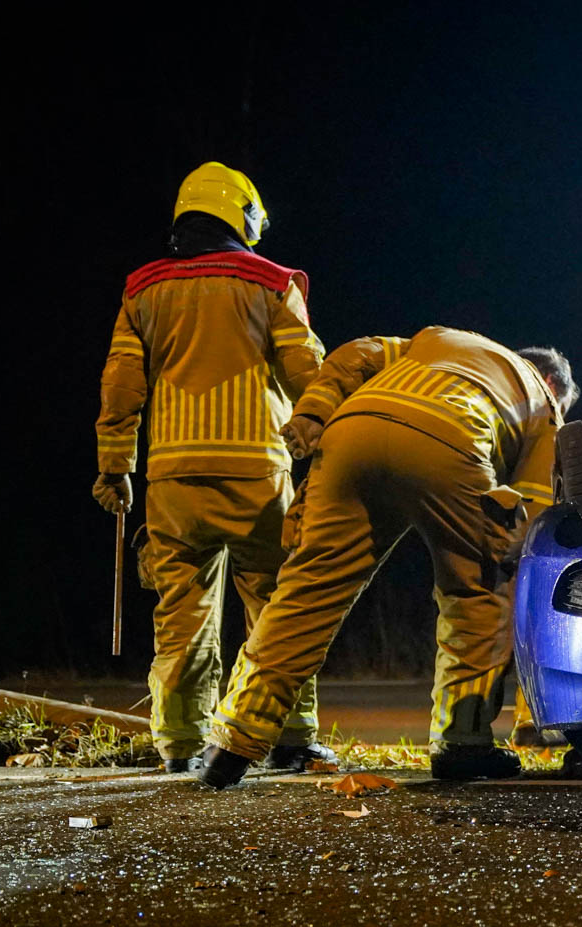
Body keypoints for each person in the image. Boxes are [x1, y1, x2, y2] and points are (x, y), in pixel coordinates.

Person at [196, 327, 576, 787]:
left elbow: (356, 354)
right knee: (479, 593)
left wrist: (314, 411)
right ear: (553, 385)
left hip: (353, 428)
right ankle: (462, 742)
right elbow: (529, 516)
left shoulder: (439, 339)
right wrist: (502, 562)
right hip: (453, 438)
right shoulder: (543, 404)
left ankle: (232, 742)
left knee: (308, 590)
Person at [92, 161, 336, 774]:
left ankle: (180, 744)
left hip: (171, 480)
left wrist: (115, 466)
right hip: (259, 476)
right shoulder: (273, 283)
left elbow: (121, 385)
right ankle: (288, 738)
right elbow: (308, 376)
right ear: (243, 215)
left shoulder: (141, 289)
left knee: (181, 614)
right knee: (278, 610)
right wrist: (328, 439)